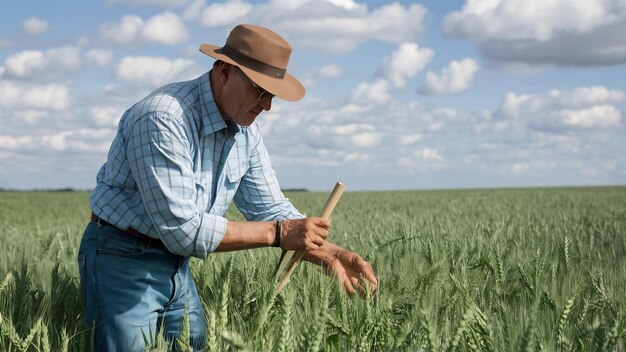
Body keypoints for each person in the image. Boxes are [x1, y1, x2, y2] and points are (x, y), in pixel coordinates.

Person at [77, 24, 378, 351]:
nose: (267, 107)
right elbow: (183, 229)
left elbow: (271, 209)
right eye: (260, 92)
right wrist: (277, 234)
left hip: (176, 263)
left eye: (272, 96)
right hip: (121, 256)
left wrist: (327, 252)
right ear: (224, 71)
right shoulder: (163, 118)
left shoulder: (246, 132)